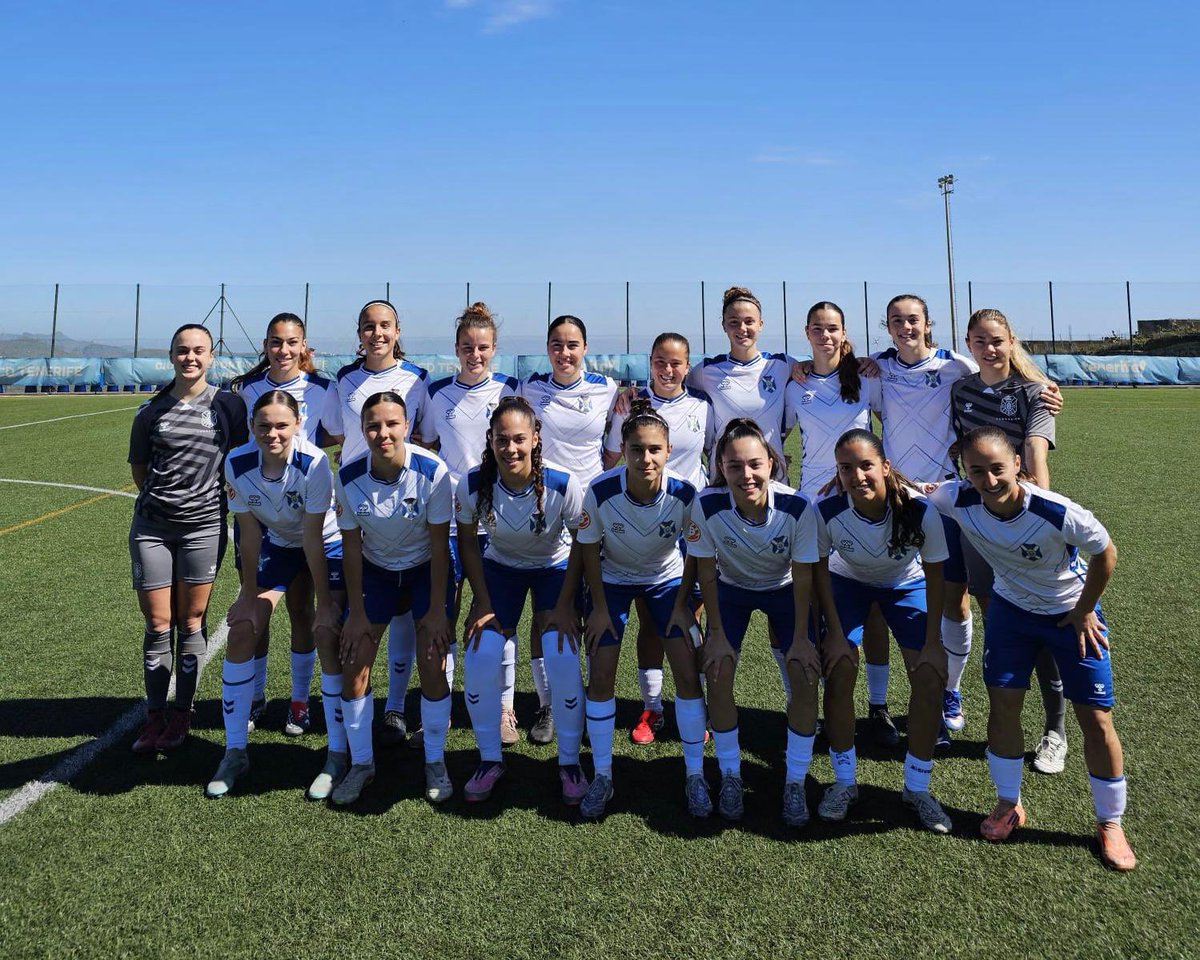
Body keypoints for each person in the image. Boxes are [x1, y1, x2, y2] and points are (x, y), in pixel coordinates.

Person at [929, 426, 1135, 871]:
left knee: (1096, 719)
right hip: (1010, 613)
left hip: (1070, 615)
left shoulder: (1055, 511)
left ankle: (1110, 822)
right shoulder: (955, 498)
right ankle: (1008, 804)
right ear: (965, 472)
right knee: (1003, 708)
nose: (988, 480)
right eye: (977, 470)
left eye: (997, 468)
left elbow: (1107, 552)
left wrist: (1085, 610)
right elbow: (913, 493)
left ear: (1018, 465)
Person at [204, 390, 344, 798]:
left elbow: (314, 539)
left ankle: (336, 753)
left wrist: (326, 603)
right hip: (277, 546)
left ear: (298, 424)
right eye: (263, 426)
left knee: (325, 631)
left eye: (282, 425)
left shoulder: (314, 462)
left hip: (324, 545)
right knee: (244, 627)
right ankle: (234, 753)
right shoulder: (237, 462)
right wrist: (248, 594)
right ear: (251, 427)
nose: (273, 433)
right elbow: (248, 534)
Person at [812, 429, 953, 833]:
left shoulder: (919, 511)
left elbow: (935, 574)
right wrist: (835, 632)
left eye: (866, 465)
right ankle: (843, 782)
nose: (857, 475)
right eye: (845, 468)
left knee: (929, 677)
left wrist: (933, 642)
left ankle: (917, 788)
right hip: (848, 582)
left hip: (904, 585)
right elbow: (820, 570)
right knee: (839, 668)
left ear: (885, 467)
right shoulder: (827, 510)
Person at [949, 307, 1068, 774]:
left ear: (1011, 339)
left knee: (1041, 624)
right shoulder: (961, 389)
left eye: (997, 340)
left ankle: (1055, 731)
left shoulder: (1036, 393)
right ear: (969, 344)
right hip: (978, 524)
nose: (989, 348)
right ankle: (1006, 727)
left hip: (1024, 522)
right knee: (1000, 620)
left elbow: (1035, 454)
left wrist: (1038, 514)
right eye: (980, 341)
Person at [578, 399, 709, 818]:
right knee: (600, 672)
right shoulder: (600, 491)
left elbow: (696, 554)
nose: (646, 458)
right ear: (623, 448)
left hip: (666, 579)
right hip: (612, 579)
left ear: (669, 451)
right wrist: (598, 607)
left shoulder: (687, 494)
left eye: (655, 449)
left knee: (688, 671)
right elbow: (587, 551)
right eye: (636, 449)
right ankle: (602, 776)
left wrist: (687, 603)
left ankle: (695, 776)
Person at [456, 397, 588, 803]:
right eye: (501, 440)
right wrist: (481, 601)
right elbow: (467, 541)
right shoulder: (474, 482)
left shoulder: (564, 483)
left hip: (553, 568)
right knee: (479, 654)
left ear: (535, 439)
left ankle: (569, 762)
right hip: (501, 569)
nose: (510, 448)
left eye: (518, 439)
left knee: (561, 653)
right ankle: (490, 759)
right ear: (490, 441)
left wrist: (566, 605)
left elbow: (584, 541)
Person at [687, 418, 820, 824]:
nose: (746, 475)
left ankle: (795, 781)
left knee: (803, 672)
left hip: (784, 589)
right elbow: (706, 572)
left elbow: (803, 576)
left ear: (772, 464)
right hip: (732, 588)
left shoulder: (797, 507)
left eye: (755, 464)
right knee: (718, 668)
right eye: (734, 466)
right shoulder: (707, 503)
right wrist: (718, 635)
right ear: (721, 469)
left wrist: (799, 637)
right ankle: (729, 773)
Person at [329, 391, 454, 805]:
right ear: (362, 430)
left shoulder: (433, 471)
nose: (383, 433)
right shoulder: (347, 476)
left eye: (391, 424)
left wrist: (437, 611)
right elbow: (350, 546)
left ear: (406, 426)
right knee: (353, 659)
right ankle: (362, 764)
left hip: (424, 568)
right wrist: (357, 612)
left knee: (434, 659)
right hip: (376, 572)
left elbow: (439, 547)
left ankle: (435, 760)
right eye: (373, 425)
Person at [128, 324, 247, 753]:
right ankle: (154, 715)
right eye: (183, 350)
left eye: (199, 351)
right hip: (152, 529)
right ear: (172, 355)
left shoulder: (228, 406)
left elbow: (243, 459)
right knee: (159, 624)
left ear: (211, 356)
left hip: (203, 528)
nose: (190, 357)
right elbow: (140, 470)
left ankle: (183, 713)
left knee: (191, 621)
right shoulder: (150, 410)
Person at [321, 300, 431, 749]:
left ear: (398, 330)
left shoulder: (419, 379)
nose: (377, 333)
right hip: (356, 508)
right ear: (359, 332)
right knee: (359, 619)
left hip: (405, 507)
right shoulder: (344, 380)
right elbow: (330, 432)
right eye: (369, 326)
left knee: (407, 613)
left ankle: (397, 708)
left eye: (385, 325)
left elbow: (424, 438)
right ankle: (349, 731)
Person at [685, 286, 798, 706]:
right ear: (724, 327)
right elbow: (668, 386)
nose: (742, 328)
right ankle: (699, 698)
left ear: (761, 324)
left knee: (780, 588)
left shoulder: (783, 366)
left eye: (749, 321)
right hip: (721, 493)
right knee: (705, 591)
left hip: (771, 494)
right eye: (734, 322)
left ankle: (795, 697)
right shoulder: (705, 371)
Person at [602, 332, 714, 744]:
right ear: (649, 363)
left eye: (676, 363)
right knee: (651, 620)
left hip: (691, 524)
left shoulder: (703, 406)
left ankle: (694, 704)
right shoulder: (631, 404)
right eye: (659, 362)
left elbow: (717, 457)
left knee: (687, 622)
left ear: (689, 366)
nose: (668, 370)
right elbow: (612, 459)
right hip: (641, 521)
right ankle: (652, 707)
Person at [230, 312, 335, 736]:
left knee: (300, 610)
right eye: (276, 342)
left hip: (306, 513)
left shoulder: (323, 388)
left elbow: (334, 439)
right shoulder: (246, 391)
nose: (284, 350)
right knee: (255, 609)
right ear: (266, 344)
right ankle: (255, 696)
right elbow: (245, 447)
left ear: (304, 345)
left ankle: (298, 701)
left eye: (292, 342)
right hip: (261, 514)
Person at [419, 302, 520, 744]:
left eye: (482, 347)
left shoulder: (512, 390)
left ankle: (504, 709)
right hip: (453, 521)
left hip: (501, 521)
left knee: (502, 615)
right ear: (456, 349)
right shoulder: (437, 392)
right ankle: (443, 706)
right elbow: (425, 444)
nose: (474, 355)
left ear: (494, 348)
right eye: (466, 347)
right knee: (445, 611)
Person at [518, 315, 618, 745]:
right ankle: (549, 703)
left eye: (572, 344)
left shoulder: (608, 389)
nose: (564, 352)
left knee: (592, 609)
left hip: (592, 512)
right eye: (556, 344)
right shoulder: (528, 389)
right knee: (547, 613)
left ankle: (589, 701)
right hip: (543, 511)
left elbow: (612, 452)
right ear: (547, 347)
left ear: (585, 347)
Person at [783, 302, 880, 499]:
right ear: (807, 332)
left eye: (832, 328)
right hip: (813, 492)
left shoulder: (867, 379)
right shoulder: (795, 386)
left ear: (843, 333)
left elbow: (891, 425)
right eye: (817, 329)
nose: (824, 335)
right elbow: (778, 435)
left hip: (860, 488)